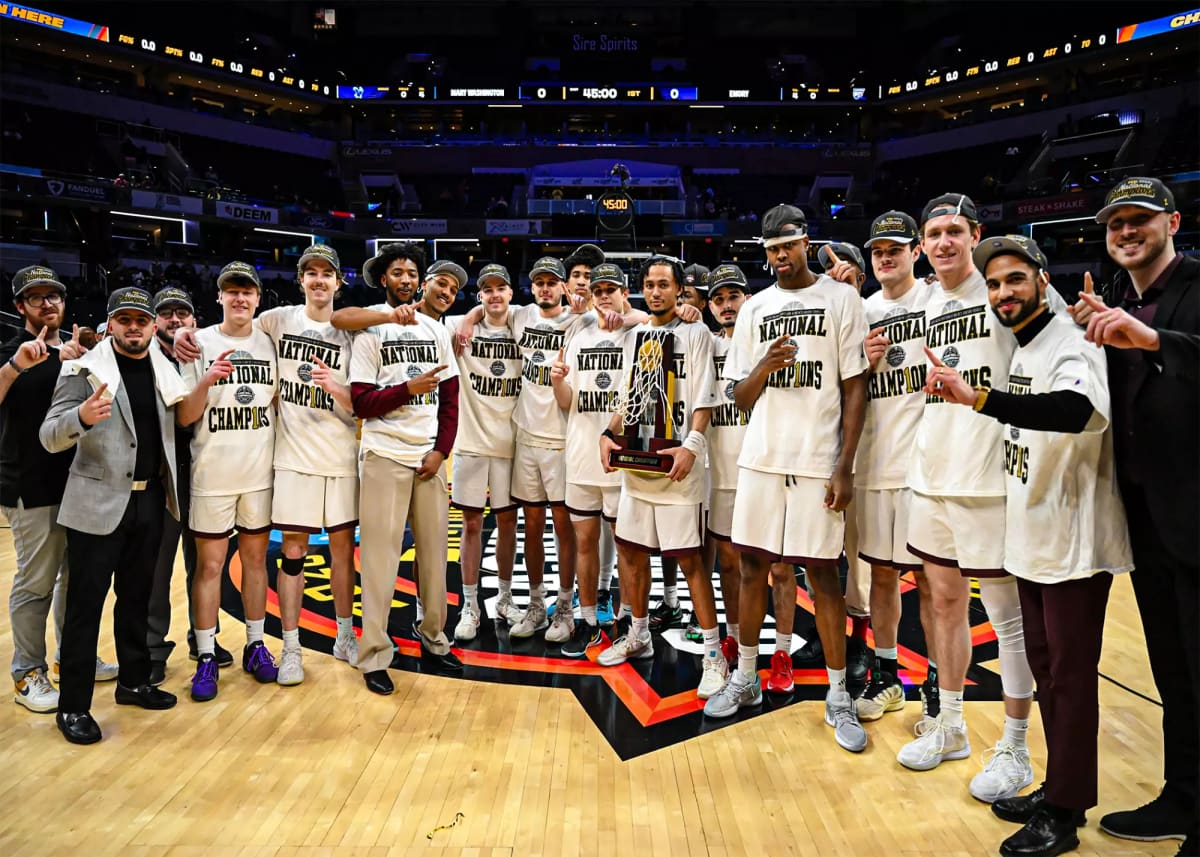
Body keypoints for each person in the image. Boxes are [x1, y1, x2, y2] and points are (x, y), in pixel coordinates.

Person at [929, 234, 1132, 857]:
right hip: (1034, 537)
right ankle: (1058, 786)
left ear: (1043, 280)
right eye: (993, 285)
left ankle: (1066, 814)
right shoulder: (1028, 344)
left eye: (1015, 279)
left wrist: (979, 399)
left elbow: (1074, 410)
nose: (1003, 294)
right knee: (1048, 672)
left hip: (1073, 542)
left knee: (1069, 679)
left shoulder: (1073, 342)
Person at [704, 204, 870, 756]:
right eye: (771, 249)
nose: (779, 256)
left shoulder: (841, 300)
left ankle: (839, 692)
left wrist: (844, 465)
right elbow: (740, 397)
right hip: (762, 457)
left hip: (817, 459)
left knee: (823, 575)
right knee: (752, 565)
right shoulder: (755, 308)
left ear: (806, 243)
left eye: (789, 246)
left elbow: (854, 387)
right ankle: (746, 676)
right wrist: (765, 367)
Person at [896, 194, 1043, 805]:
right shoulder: (926, 299)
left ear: (976, 234)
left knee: (1007, 622)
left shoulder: (1005, 289)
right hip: (932, 473)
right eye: (934, 233)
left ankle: (1015, 745)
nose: (944, 242)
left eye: (955, 231)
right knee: (946, 604)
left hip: (990, 480)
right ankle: (951, 725)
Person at [1073, 177, 1199, 851]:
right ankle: (1182, 796)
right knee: (1173, 670)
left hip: (1195, 509)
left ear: (1172, 221)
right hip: (1147, 515)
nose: (1126, 231)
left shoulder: (1196, 285)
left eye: (1139, 219)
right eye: (1115, 222)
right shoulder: (1116, 300)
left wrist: (1152, 339)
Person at [39, 287, 191, 743]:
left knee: (137, 600)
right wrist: (81, 418)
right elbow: (49, 435)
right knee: (85, 608)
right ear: (110, 324)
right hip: (96, 505)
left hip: (149, 501)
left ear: (150, 325)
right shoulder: (81, 369)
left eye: (140, 320)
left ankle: (134, 681)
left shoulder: (164, 369)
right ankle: (73, 708)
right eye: (123, 319)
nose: (133, 327)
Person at [598, 256, 726, 699]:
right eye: (649, 285)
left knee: (691, 564)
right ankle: (638, 634)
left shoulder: (696, 334)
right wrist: (607, 434)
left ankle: (714, 655)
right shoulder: (635, 337)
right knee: (631, 553)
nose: (655, 292)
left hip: (678, 467)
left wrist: (692, 446)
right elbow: (626, 397)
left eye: (663, 285)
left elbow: (705, 399)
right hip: (638, 463)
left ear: (679, 289)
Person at [350, 261, 463, 694]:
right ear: (384, 280)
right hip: (383, 455)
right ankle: (375, 654)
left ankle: (434, 638)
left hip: (428, 460)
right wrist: (407, 390)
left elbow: (450, 403)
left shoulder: (437, 333)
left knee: (435, 559)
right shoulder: (370, 331)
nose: (405, 279)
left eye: (411, 273)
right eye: (397, 273)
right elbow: (362, 403)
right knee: (380, 562)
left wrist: (441, 452)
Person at [1, 265, 109, 715]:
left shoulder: (75, 352)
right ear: (20, 306)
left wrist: (83, 358)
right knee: (36, 582)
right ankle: (27, 671)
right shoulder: (10, 351)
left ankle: (69, 659)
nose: (47, 303)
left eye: (54, 296)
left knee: (73, 579)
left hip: (76, 483)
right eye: (36, 297)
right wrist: (14, 367)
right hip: (30, 485)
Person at [176, 262, 280, 701]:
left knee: (255, 564)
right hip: (211, 476)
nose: (240, 299)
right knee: (211, 567)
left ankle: (255, 643)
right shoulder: (197, 344)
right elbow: (184, 416)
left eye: (247, 292)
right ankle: (204, 654)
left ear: (258, 299)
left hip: (258, 475)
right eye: (231, 291)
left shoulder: (270, 341)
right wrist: (207, 379)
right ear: (218, 297)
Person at [255, 245, 359, 684]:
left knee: (341, 553)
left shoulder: (354, 335)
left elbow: (363, 407)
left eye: (327, 274)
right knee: (293, 553)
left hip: (339, 456)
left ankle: (344, 635)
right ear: (301, 281)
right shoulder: (276, 321)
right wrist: (186, 336)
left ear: (338, 282)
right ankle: (292, 648)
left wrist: (337, 388)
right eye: (311, 273)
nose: (319, 280)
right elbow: (230, 333)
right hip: (293, 458)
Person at [852, 213, 935, 723]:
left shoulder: (935, 300)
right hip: (873, 464)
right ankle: (887, 675)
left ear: (916, 250)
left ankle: (937, 686)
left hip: (923, 468)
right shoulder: (861, 312)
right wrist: (861, 358)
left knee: (930, 581)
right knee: (882, 576)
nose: (886, 257)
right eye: (878, 250)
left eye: (896, 249)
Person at [552, 263, 632, 656]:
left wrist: (630, 317)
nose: (603, 295)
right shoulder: (578, 335)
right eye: (597, 290)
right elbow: (567, 404)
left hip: (619, 461)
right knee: (585, 543)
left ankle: (629, 621)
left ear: (624, 293)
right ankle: (587, 621)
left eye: (610, 289)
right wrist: (557, 383)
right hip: (580, 456)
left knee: (628, 548)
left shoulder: (636, 333)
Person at [443, 264, 523, 641]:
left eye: (500, 288)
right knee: (472, 525)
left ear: (511, 293)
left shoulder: (524, 323)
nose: (494, 295)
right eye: (486, 289)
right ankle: (470, 604)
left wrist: (472, 316)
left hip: (511, 445)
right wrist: (469, 319)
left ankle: (505, 599)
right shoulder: (457, 327)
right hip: (471, 443)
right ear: (478, 295)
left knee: (508, 525)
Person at [145, 286, 214, 685]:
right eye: (166, 313)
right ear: (156, 322)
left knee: (203, 562)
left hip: (202, 470)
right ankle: (154, 648)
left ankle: (202, 638)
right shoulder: (142, 357)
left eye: (182, 313)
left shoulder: (205, 354)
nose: (175, 319)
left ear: (194, 321)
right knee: (156, 567)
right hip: (160, 475)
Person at [818, 240, 873, 685]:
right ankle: (829, 630)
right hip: (822, 448)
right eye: (828, 267)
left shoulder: (873, 309)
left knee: (860, 558)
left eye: (844, 264)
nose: (834, 271)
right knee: (824, 554)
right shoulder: (826, 313)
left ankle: (861, 640)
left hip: (869, 453)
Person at [702, 265, 751, 674]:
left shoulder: (763, 343)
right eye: (718, 299)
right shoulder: (708, 345)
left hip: (760, 470)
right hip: (719, 474)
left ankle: (783, 647)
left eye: (733, 297)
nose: (726, 305)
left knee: (779, 570)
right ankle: (733, 638)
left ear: (747, 300)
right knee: (729, 565)